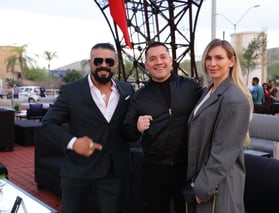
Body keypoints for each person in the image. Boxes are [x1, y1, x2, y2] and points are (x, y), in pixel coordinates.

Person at [41, 42, 135, 213]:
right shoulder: (71, 91)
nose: (104, 65)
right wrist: (73, 142)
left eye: (109, 61)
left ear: (115, 64)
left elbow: (131, 123)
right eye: (98, 61)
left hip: (113, 171)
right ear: (90, 62)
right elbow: (48, 124)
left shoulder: (127, 90)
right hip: (78, 170)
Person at [123, 41, 203, 213]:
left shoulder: (191, 88)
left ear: (171, 60)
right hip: (154, 171)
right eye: (152, 59)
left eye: (162, 57)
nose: (158, 62)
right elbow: (127, 131)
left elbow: (212, 107)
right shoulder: (140, 97)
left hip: (187, 169)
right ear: (146, 65)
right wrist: (137, 127)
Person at [186, 39, 253, 213]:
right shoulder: (208, 92)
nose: (212, 63)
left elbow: (224, 151)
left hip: (218, 186)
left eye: (219, 58)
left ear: (232, 61)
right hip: (203, 180)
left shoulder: (234, 99)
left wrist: (202, 186)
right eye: (208, 58)